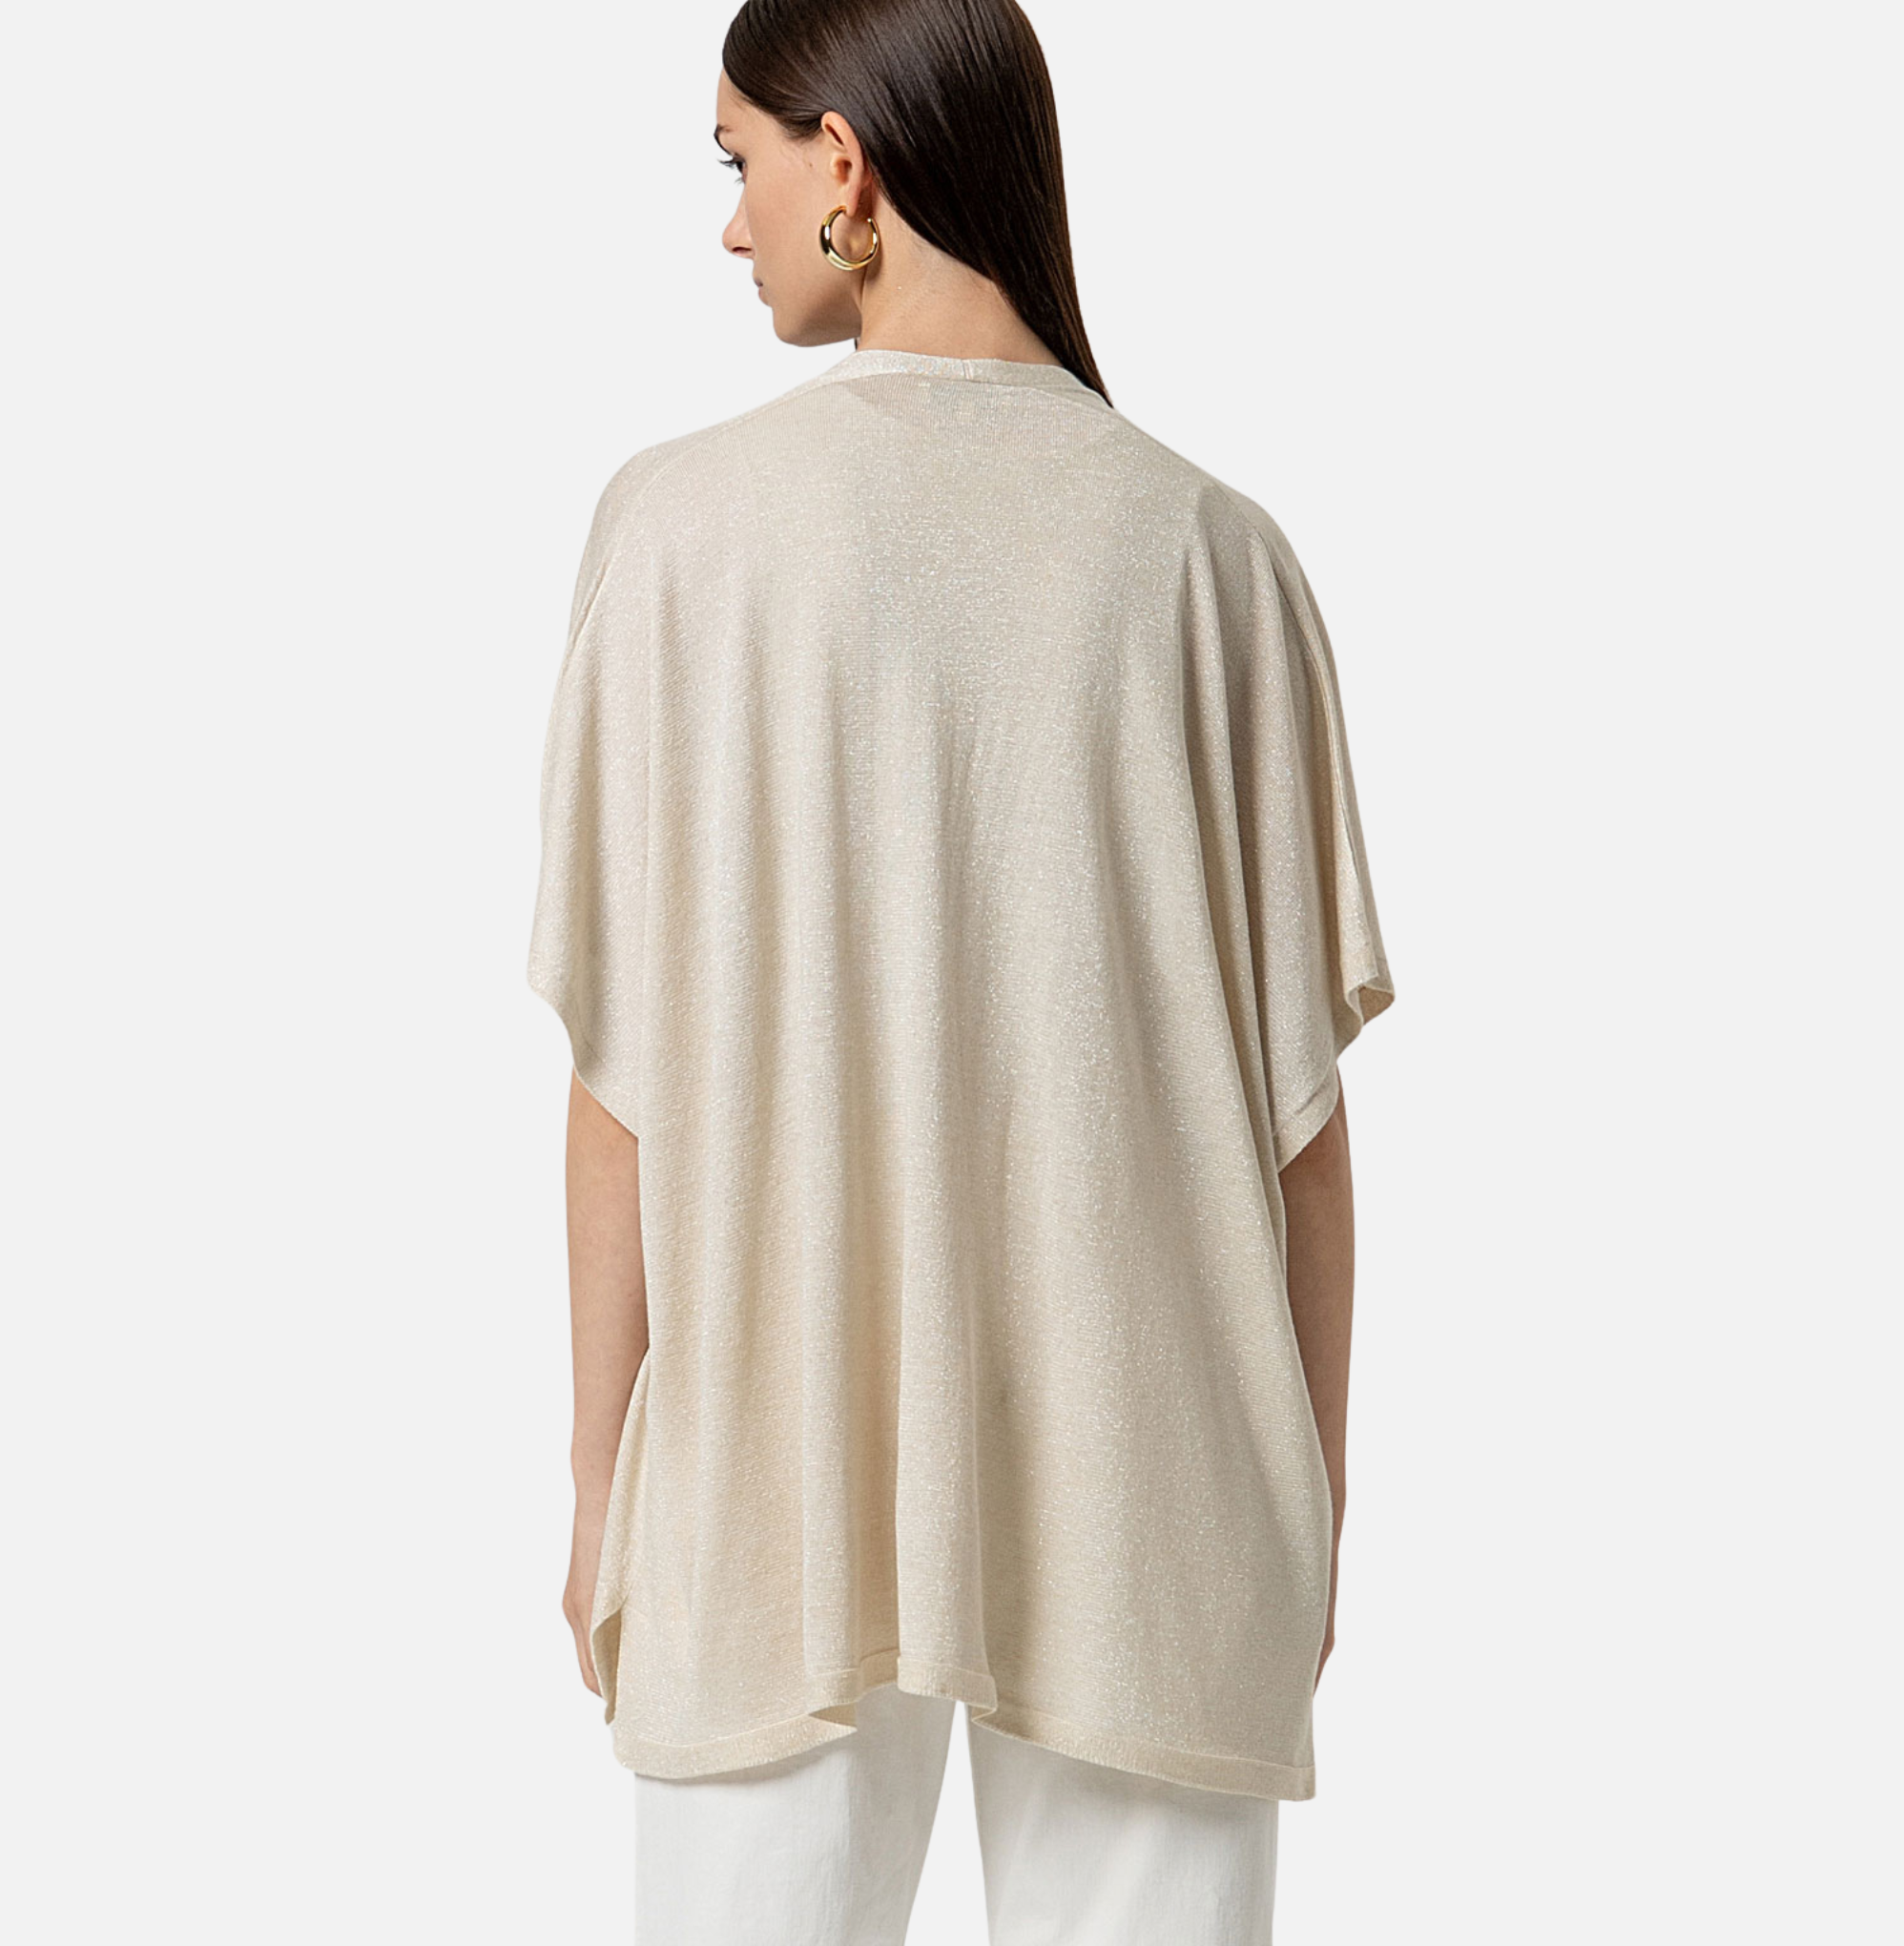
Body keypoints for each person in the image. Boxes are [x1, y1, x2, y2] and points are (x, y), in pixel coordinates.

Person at [527, 2, 1397, 1938]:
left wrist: (600, 1484)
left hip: (764, 1488)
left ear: (846, 163)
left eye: (740, 161)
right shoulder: (1214, 555)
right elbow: (1300, 1136)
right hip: (1158, 1498)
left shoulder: (676, 534)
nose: (730, 221)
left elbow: (622, 1086)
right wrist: (1312, 1518)